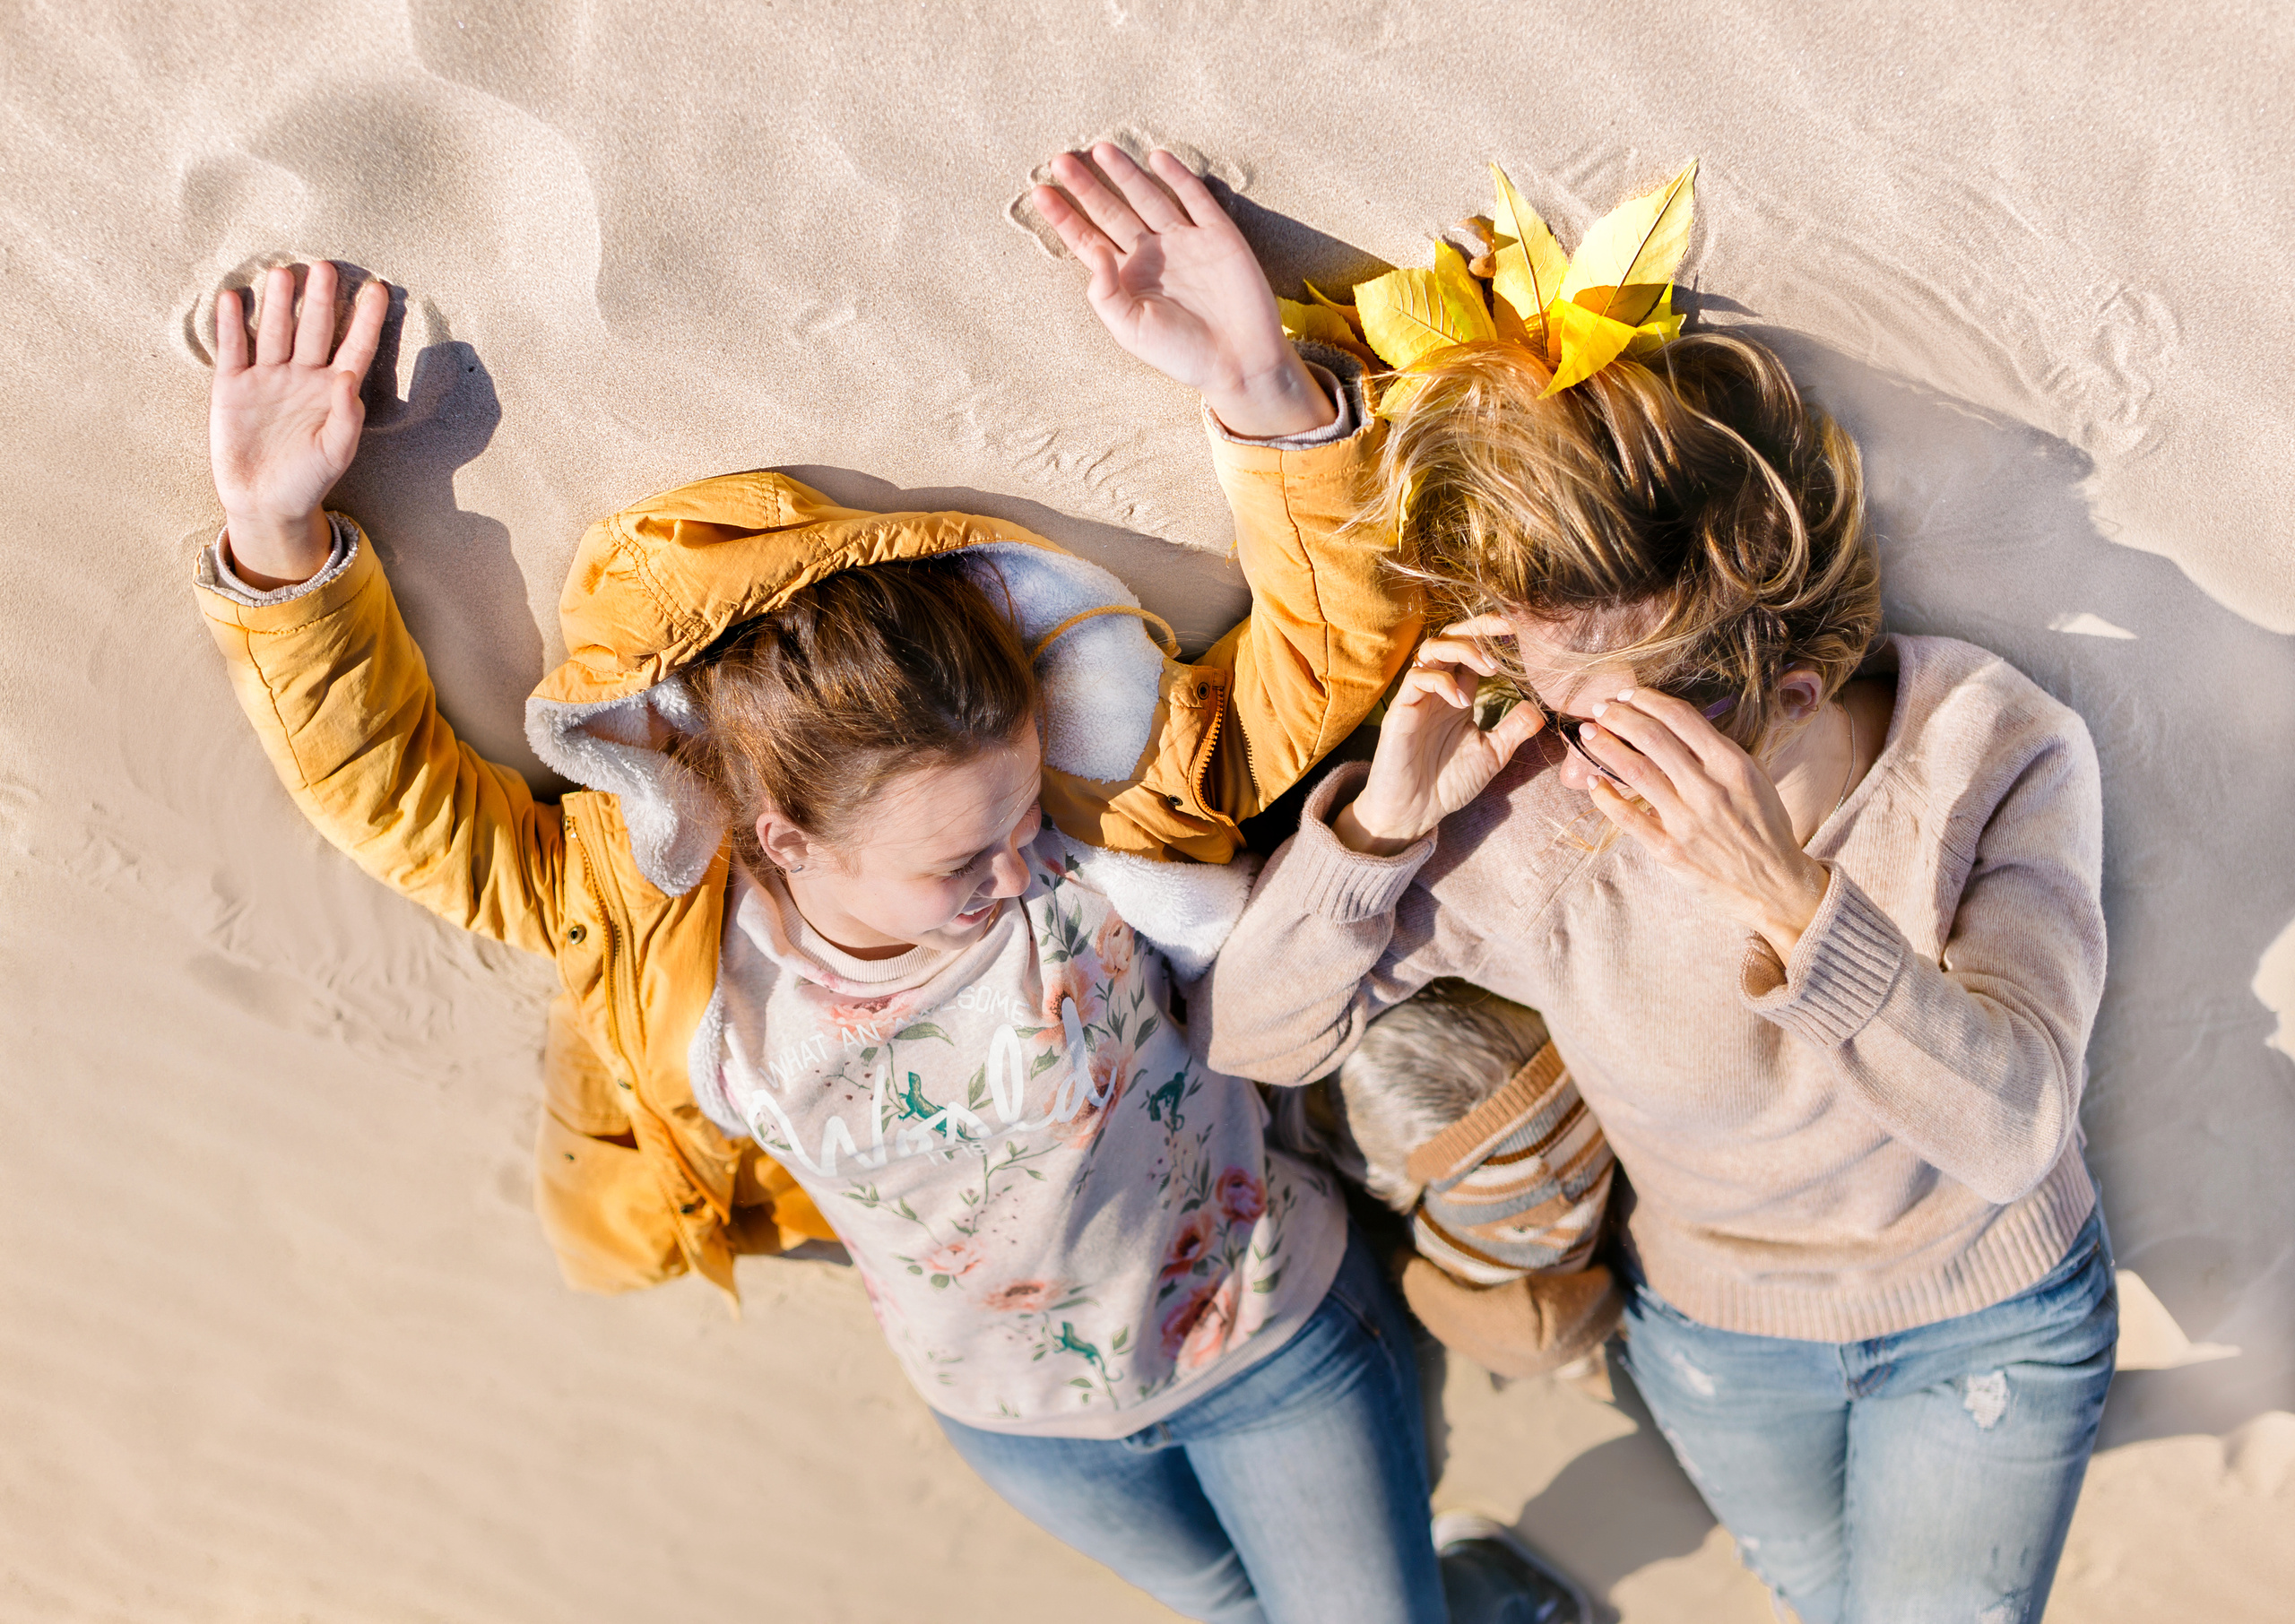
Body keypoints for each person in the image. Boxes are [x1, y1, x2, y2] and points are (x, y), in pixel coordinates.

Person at [194, 144, 1579, 1623]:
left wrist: (1259, 383)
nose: (1012, 870)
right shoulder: (671, 921)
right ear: (785, 837)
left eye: (1008, 821)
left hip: (1266, 1341)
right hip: (1009, 1422)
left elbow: (1316, 662)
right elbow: (395, 801)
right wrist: (279, 538)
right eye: (957, 859)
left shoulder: (1083, 827)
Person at [1203, 320, 2119, 1623]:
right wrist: (1386, 824)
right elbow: (1255, 1037)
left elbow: (2017, 1128)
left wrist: (1792, 900)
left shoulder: (1988, 748)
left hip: (1991, 1320)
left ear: (1791, 698)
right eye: (1536, 684)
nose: (1560, 756)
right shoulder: (1539, 819)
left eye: (1603, 723)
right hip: (1720, 1344)